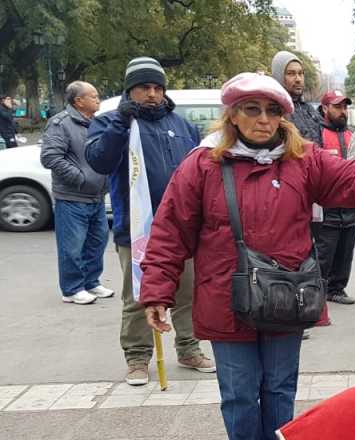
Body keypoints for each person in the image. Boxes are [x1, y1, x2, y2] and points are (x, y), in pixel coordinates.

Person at [139, 72, 355, 440]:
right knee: (239, 396)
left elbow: (352, 179)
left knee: (280, 390)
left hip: (286, 297)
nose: (263, 119)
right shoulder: (203, 164)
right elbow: (170, 229)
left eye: (272, 111)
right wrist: (156, 291)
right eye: (252, 109)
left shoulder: (302, 159)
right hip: (226, 299)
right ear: (232, 114)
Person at [85, 57, 214, 386]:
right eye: (144, 88)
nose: (153, 94)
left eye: (158, 87)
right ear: (130, 91)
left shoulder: (182, 125)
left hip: (183, 229)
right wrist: (121, 124)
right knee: (140, 296)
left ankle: (188, 348)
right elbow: (99, 161)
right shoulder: (110, 122)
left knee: (188, 294)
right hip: (138, 229)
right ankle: (137, 357)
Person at [40, 80, 113, 305]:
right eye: (93, 95)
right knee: (72, 247)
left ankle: (91, 282)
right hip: (72, 197)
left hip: (97, 196)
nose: (98, 99)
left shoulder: (97, 122)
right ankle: (72, 289)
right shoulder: (60, 123)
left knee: (97, 242)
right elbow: (50, 157)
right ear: (78, 101)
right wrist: (80, 179)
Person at [315, 90, 355, 305]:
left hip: (351, 205)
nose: (343, 111)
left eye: (345, 107)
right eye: (337, 107)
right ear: (325, 109)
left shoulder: (352, 135)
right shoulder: (317, 134)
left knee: (346, 250)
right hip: (327, 206)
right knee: (324, 251)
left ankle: (337, 288)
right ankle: (318, 292)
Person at [271, 50, 322, 145]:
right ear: (279, 77)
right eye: (291, 73)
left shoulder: (309, 109)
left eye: (301, 73)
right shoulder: (273, 111)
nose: (298, 79)